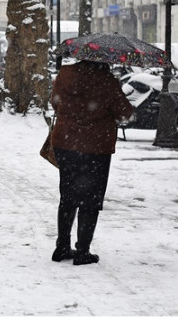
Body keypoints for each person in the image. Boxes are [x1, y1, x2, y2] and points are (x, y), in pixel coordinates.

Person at [50, 59, 134, 265]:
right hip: (94, 147)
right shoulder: (107, 81)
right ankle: (82, 251)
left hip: (66, 143)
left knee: (68, 196)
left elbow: (55, 101)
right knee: (90, 199)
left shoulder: (65, 74)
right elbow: (125, 113)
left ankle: (62, 246)